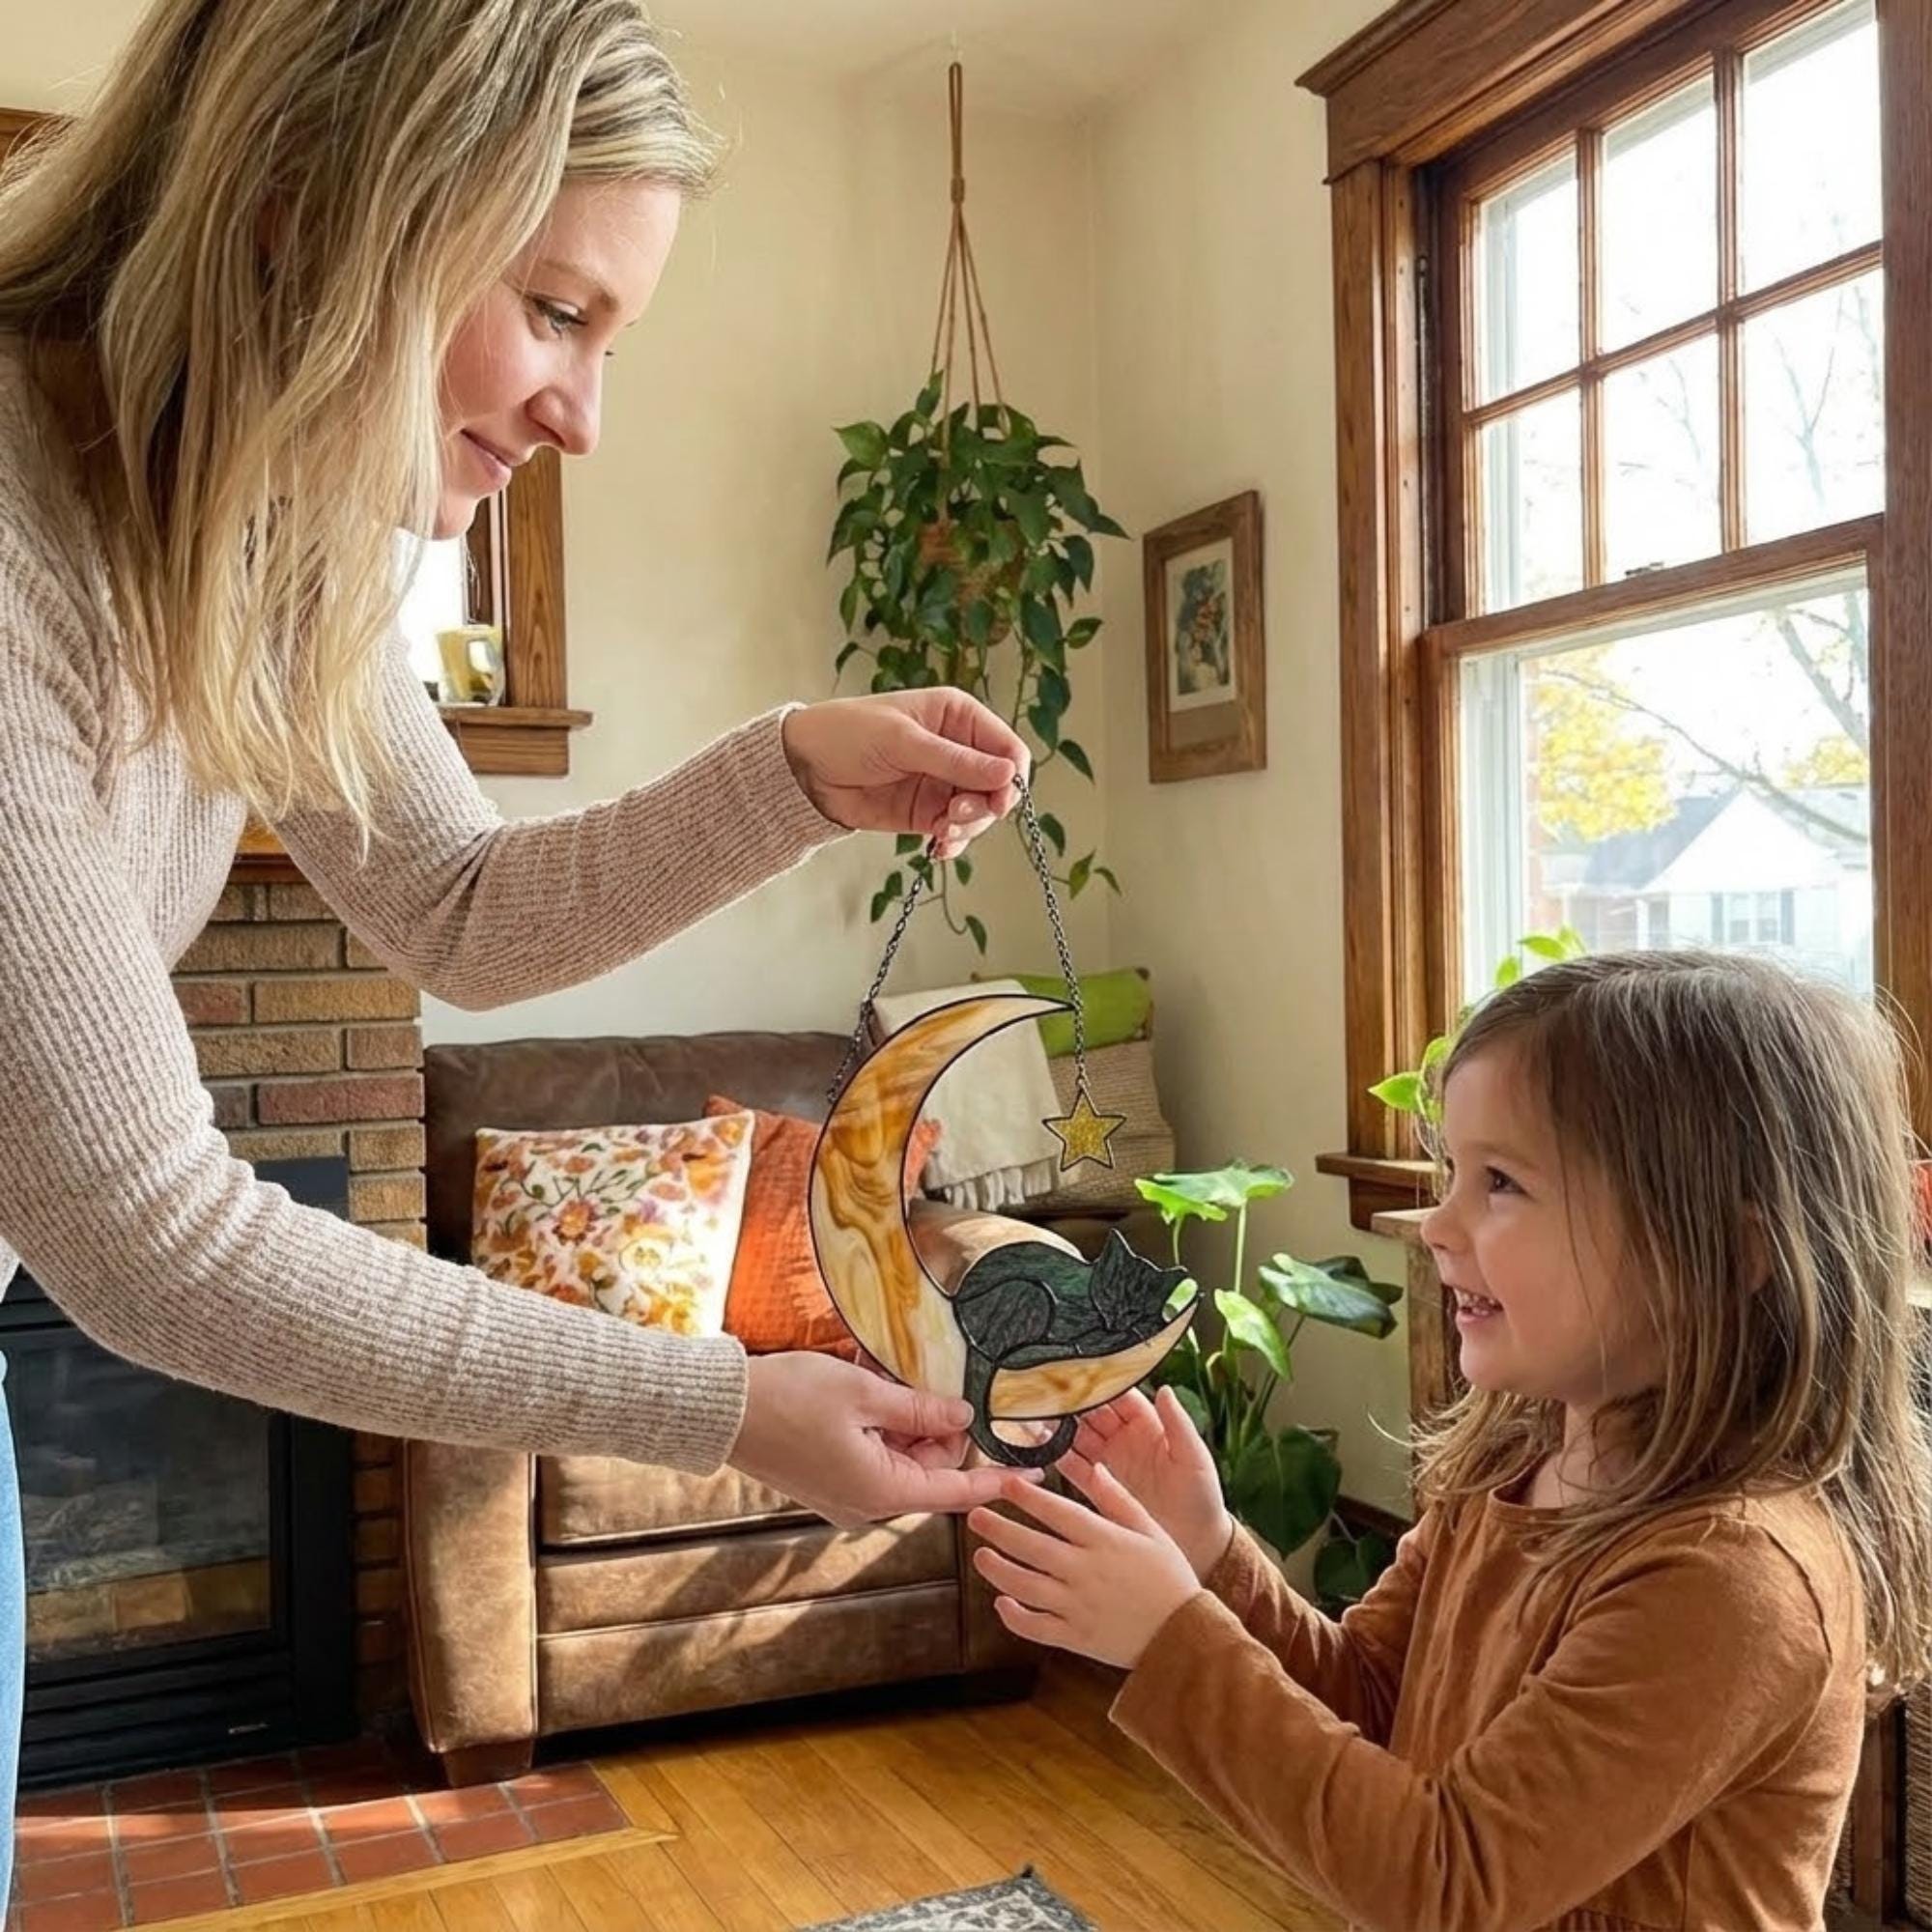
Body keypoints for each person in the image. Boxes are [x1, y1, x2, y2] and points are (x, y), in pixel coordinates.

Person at [0, 0, 1036, 1883]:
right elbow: (150, 1238)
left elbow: (457, 914)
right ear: (311, 209)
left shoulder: (266, 544)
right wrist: (721, 1407)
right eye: (556, 309)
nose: (582, 415)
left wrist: (793, 769)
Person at [971, 952, 1932, 1930]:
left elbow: (1447, 1881)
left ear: (1728, 1254)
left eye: (1502, 1181)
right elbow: (1367, 1699)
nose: (1436, 1222)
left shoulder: (1731, 1578)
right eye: (1448, 1172)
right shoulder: (1514, 1475)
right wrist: (1209, 1551)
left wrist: (1171, 1637)